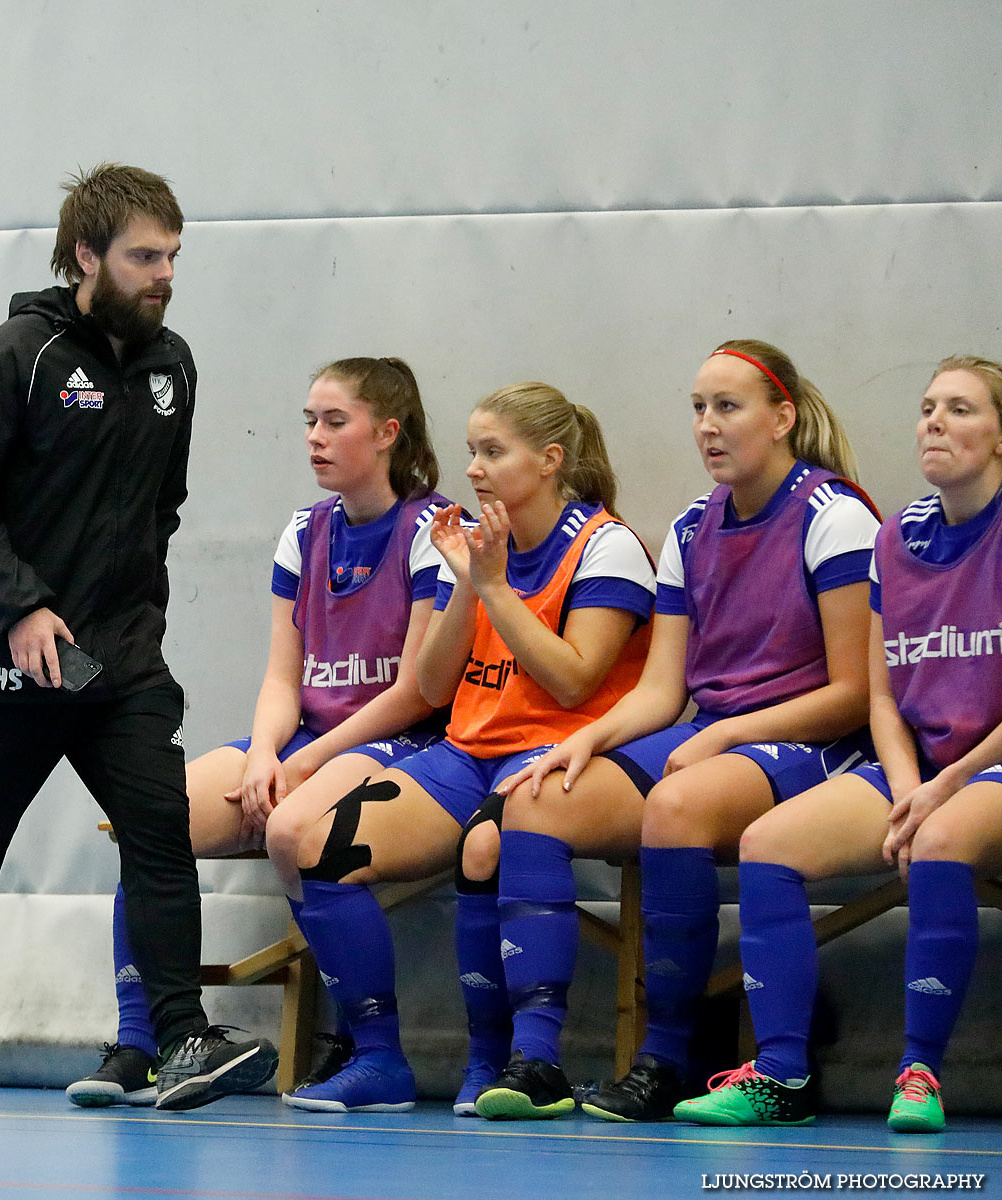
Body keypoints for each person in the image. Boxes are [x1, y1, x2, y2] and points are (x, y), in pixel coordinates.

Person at [0, 164, 275, 1111]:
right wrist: (21, 606)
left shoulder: (173, 366)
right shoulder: (15, 354)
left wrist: (128, 615)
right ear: (84, 255)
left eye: (174, 256)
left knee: (159, 831)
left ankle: (182, 1034)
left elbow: (162, 508)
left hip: (124, 665)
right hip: (7, 664)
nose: (164, 274)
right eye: (146, 255)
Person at [492, 340, 877, 1121]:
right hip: (716, 734)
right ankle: (535, 1060)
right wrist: (592, 736)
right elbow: (663, 691)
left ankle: (668, 1053)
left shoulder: (835, 518)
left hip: (817, 743)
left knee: (677, 805)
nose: (706, 425)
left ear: (781, 419)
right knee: (536, 798)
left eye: (727, 407)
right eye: (698, 408)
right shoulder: (692, 525)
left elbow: (854, 692)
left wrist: (725, 737)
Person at [66, 356, 454, 1108]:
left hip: (399, 745)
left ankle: (381, 1055)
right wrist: (269, 752)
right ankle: (146, 1041)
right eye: (309, 421)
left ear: (389, 433)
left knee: (306, 834)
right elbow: (284, 677)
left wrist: (307, 762)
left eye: (335, 421)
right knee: (149, 816)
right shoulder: (303, 532)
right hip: (306, 738)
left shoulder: (431, 530)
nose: (315, 437)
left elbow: (414, 693)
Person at [271, 382, 654, 1114]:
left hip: (556, 751)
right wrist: (471, 582)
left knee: (487, 847)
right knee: (320, 849)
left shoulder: (607, 544)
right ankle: (379, 1058)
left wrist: (496, 586)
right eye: (471, 450)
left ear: (548, 461)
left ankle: (497, 1061)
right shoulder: (479, 545)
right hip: (466, 750)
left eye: (492, 452)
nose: (472, 468)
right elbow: (435, 680)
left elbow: (574, 683)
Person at [674, 356, 1002, 1132]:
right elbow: (882, 693)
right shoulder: (899, 537)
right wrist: (902, 784)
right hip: (917, 770)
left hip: (982, 769)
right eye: (928, 408)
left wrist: (942, 787)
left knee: (945, 836)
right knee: (768, 843)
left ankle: (919, 1073)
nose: (935, 423)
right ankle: (780, 1076)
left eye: (960, 409)